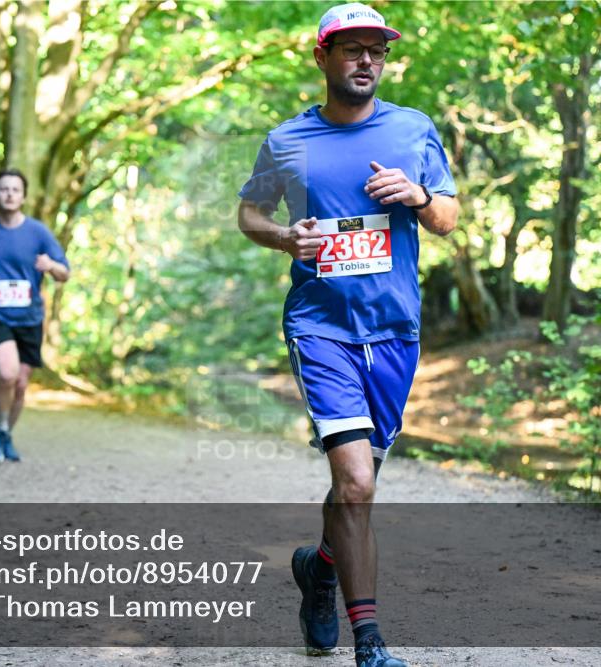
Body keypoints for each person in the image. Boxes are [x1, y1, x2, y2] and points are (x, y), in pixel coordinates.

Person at [237, 4, 459, 666]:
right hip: (321, 327)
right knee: (358, 483)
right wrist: (284, 237)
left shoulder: (413, 130)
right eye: (352, 49)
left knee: (353, 487)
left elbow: (447, 217)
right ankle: (371, 640)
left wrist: (416, 196)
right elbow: (250, 210)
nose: (367, 60)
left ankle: (320, 569)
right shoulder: (288, 141)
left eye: (377, 51)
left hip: (394, 330)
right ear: (323, 57)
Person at [0, 169, 70, 464]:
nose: (9, 194)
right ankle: (0, 429)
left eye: (15, 190)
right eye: (4, 189)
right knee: (7, 372)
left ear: (24, 196)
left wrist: (50, 265)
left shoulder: (39, 232)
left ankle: (4, 432)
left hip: (29, 317)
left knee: (21, 383)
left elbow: (64, 273)